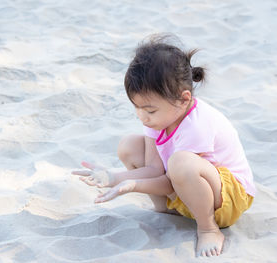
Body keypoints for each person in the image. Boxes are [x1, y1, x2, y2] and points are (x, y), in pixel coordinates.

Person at [71, 34, 255, 257]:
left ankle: (208, 228)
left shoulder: (197, 124)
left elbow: (170, 182)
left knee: (180, 162)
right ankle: (166, 210)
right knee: (128, 145)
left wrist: (132, 185)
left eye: (149, 110)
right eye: (136, 108)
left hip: (226, 199)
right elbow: (154, 169)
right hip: (187, 189)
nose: (142, 117)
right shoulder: (160, 118)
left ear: (183, 99)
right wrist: (113, 177)